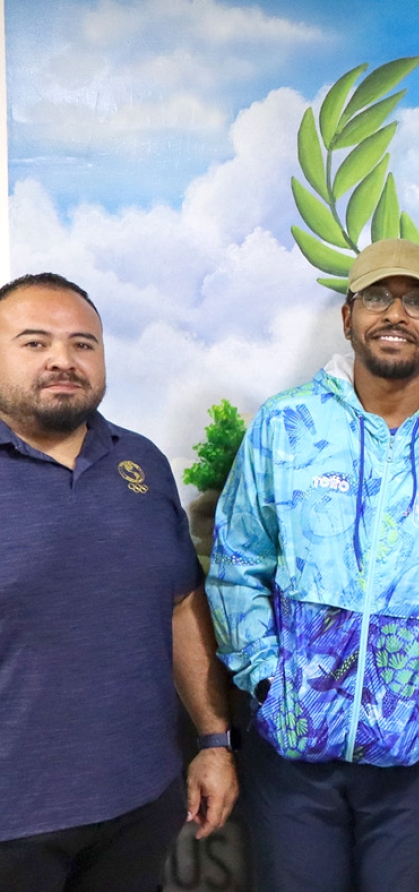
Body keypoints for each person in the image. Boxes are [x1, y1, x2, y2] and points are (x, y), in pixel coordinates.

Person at [207, 238, 419, 892]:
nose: (396, 314)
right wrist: (268, 682)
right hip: (293, 757)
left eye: (418, 302)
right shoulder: (285, 426)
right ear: (348, 316)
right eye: (378, 297)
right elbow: (237, 564)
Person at [0, 273, 238, 892]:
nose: (62, 359)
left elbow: (181, 603)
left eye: (83, 344)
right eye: (34, 343)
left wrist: (214, 740)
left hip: (138, 805)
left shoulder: (142, 463)